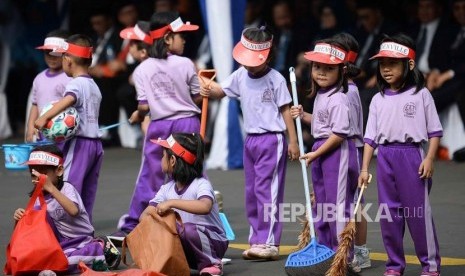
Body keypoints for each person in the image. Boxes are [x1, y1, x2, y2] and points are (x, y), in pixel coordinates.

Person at [200, 26, 299, 260]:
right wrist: (206, 86)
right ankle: (257, 239)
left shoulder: (276, 78)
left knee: (267, 191)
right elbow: (220, 91)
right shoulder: (240, 74)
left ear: (267, 56)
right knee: (252, 192)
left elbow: (286, 109)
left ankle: (269, 242)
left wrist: (292, 141)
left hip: (272, 139)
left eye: (253, 60)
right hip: (251, 140)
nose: (248, 64)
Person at [359, 34, 442, 276]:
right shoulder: (377, 99)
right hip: (385, 157)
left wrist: (429, 158)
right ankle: (394, 265)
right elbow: (370, 138)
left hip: (411, 157)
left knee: (417, 214)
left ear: (410, 65)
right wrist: (365, 168)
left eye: (393, 63)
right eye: (382, 64)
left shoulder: (421, 95)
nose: (386, 69)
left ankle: (430, 265)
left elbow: (435, 130)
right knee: (389, 215)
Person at [116, 12, 202, 236]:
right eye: (180, 36)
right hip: (187, 124)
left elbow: (144, 106)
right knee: (191, 173)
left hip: (159, 125)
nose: (184, 40)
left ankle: (136, 221)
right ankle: (196, 221)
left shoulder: (142, 69)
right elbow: (197, 97)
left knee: (150, 174)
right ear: (167, 39)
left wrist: (137, 114)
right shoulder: (186, 63)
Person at [13, 144, 120, 274]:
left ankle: (100, 248)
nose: (38, 179)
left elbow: (73, 211)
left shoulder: (67, 189)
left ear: (59, 171)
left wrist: (51, 189)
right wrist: (20, 217)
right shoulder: (38, 197)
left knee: (65, 261)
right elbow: (32, 230)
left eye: (43, 173)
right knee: (35, 260)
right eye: (33, 174)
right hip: (58, 244)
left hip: (81, 240)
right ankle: (54, 267)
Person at [297, 39, 358, 253]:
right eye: (317, 66)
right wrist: (304, 115)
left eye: (328, 68)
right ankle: (324, 248)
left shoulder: (340, 98)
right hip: (321, 148)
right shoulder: (322, 94)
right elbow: (322, 124)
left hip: (336, 152)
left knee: (337, 204)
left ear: (341, 71)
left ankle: (342, 255)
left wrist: (315, 154)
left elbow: (338, 134)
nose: (321, 72)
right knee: (321, 202)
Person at [34, 34, 103, 222]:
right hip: (96, 145)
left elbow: (69, 99)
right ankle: (84, 226)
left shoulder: (76, 84)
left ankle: (66, 228)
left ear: (68, 60)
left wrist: (45, 117)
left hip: (79, 144)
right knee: (88, 188)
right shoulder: (93, 85)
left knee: (69, 186)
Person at [141, 133, 228, 276]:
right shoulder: (166, 189)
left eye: (163, 156)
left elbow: (204, 206)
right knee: (164, 229)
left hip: (213, 242)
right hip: (188, 246)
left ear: (173, 160)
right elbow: (144, 216)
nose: (161, 159)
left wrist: (171, 203)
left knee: (188, 229)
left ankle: (213, 263)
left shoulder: (201, 184)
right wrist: (158, 217)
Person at [333, 32, 370, 272]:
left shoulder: (349, 91)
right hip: (338, 148)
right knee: (343, 203)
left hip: (351, 148)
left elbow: (347, 127)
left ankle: (361, 251)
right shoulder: (338, 89)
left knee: (355, 204)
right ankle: (344, 249)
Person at [25, 30, 72, 143]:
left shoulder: (70, 78)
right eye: (48, 52)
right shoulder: (39, 78)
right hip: (42, 133)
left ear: (66, 54)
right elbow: (35, 104)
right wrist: (30, 126)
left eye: (56, 53)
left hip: (63, 133)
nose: (52, 57)